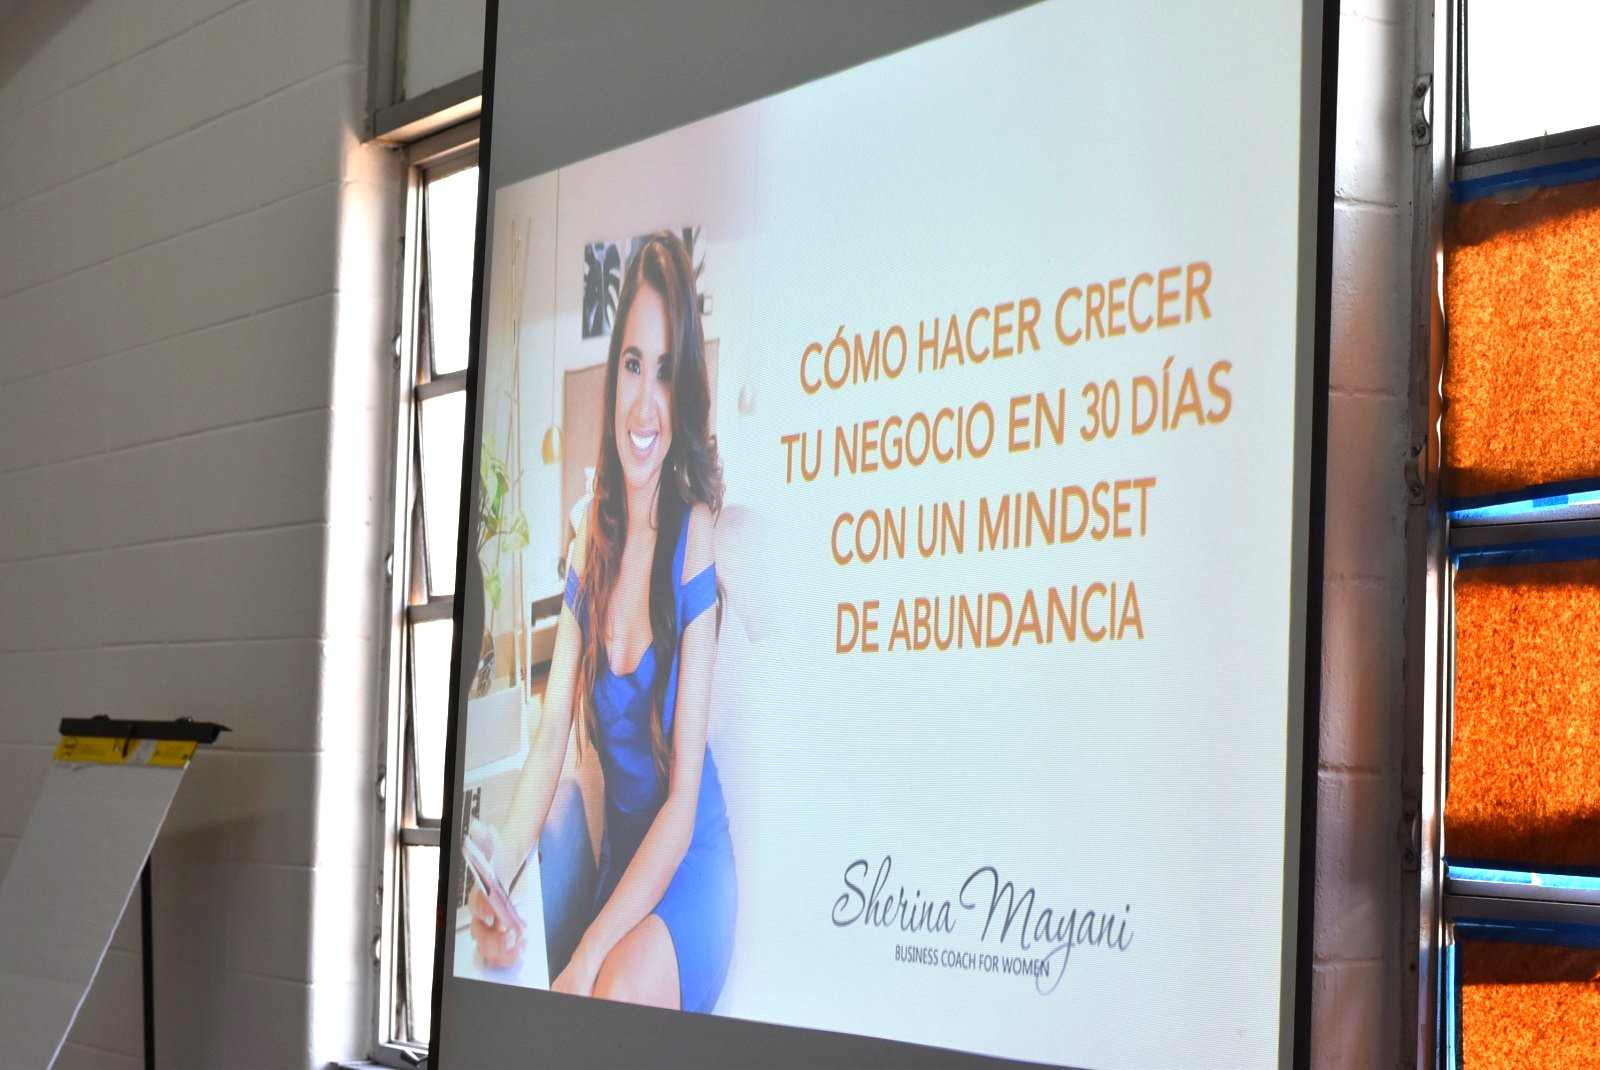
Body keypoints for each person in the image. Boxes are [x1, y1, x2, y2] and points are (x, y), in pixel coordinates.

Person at [470, 231, 734, 1014]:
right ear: (614, 370)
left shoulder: (694, 535)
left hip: (686, 867)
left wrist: (586, 956)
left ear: (685, 393)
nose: (644, 404)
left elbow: (680, 808)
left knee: (608, 991)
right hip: (625, 867)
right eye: (632, 364)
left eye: (666, 373)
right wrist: (499, 875)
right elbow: (552, 733)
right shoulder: (592, 539)